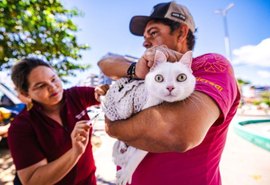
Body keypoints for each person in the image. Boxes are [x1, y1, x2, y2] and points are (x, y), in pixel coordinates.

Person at [98, 1, 240, 185]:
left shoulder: (211, 65)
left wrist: (113, 127)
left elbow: (178, 132)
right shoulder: (149, 70)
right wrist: (136, 70)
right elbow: (106, 61)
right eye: (144, 35)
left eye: (153, 32)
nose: (144, 41)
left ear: (181, 32)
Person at [8, 57, 109, 185]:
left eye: (54, 79)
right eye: (41, 86)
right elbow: (32, 181)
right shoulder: (21, 126)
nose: (52, 87)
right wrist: (74, 153)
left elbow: (101, 94)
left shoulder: (75, 95)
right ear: (26, 94)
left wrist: (104, 91)